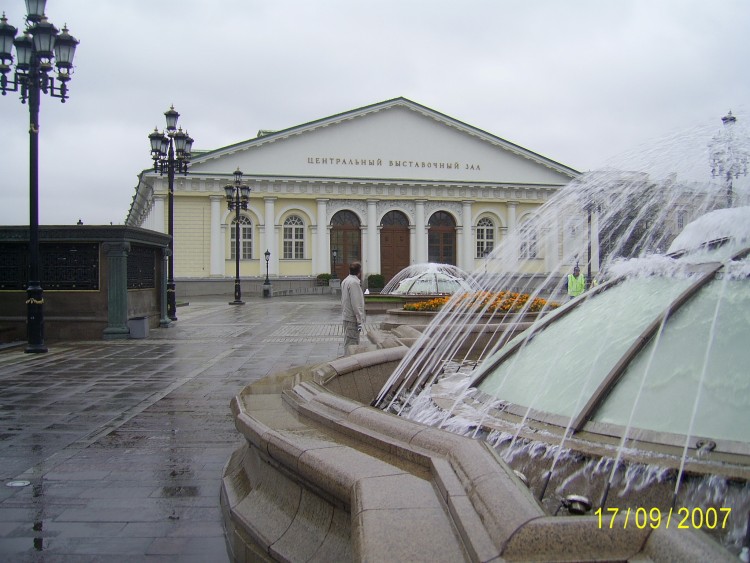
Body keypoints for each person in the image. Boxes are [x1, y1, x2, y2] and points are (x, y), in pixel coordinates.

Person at [341, 261, 366, 347]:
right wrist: (359, 319)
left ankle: (347, 358)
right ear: (359, 272)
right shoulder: (354, 283)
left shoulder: (345, 281)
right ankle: (349, 359)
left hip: (347, 316)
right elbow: (356, 303)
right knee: (352, 344)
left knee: (348, 342)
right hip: (352, 318)